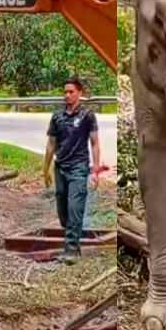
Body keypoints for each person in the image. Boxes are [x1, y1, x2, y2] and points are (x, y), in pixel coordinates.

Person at [43, 77, 102, 264]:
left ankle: (71, 251)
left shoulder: (87, 115)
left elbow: (95, 143)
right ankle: (72, 238)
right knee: (63, 209)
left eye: (71, 92)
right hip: (61, 166)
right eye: (65, 92)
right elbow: (51, 144)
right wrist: (45, 169)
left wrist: (96, 171)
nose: (67, 95)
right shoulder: (57, 117)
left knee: (75, 207)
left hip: (79, 168)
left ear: (79, 93)